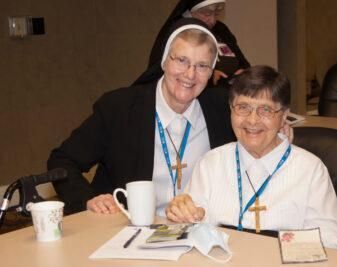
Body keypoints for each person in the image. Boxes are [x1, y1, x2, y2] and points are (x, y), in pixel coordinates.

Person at [47, 19, 236, 215]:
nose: (190, 74)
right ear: (164, 60)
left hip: (200, 229)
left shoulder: (224, 109)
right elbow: (62, 160)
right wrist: (88, 199)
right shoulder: (119, 109)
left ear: (211, 72)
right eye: (182, 60)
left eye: (202, 66)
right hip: (129, 230)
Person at [166, 65, 337, 250]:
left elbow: (333, 243)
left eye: (265, 110)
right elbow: (187, 234)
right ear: (230, 109)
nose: (252, 120)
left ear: (284, 115)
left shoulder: (310, 170)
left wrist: (270, 248)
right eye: (243, 107)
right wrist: (182, 214)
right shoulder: (211, 163)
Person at [147, 0, 250, 87]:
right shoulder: (179, 31)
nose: (212, 20)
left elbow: (242, 61)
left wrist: (244, 72)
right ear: (191, 12)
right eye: (207, 14)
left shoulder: (221, 29)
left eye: (216, 14)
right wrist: (208, 75)